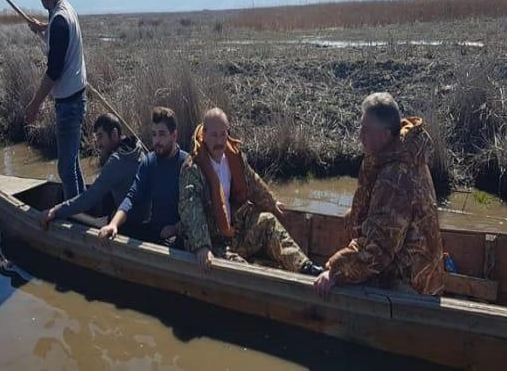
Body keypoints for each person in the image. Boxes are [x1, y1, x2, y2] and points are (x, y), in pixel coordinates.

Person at [314, 92, 444, 298]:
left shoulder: (395, 177)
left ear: (385, 135)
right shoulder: (395, 154)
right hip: (408, 269)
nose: (360, 136)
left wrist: (336, 271)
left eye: (366, 131)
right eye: (360, 128)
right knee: (350, 217)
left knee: (344, 295)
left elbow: (379, 248)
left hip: (410, 284)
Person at [179, 107, 323, 275]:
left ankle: (304, 267)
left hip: (236, 231)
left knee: (268, 221)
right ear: (204, 134)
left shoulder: (234, 157)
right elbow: (191, 208)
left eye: (223, 134)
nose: (219, 141)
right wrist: (201, 246)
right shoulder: (192, 169)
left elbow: (252, 180)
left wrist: (271, 201)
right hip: (213, 240)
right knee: (240, 269)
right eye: (214, 135)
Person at [25, 0, 88, 200]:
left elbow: (53, 72)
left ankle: (75, 218)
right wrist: (42, 28)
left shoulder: (60, 19)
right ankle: (82, 206)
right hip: (75, 97)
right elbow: (57, 29)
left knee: (65, 168)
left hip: (70, 103)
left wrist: (34, 104)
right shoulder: (62, 11)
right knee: (72, 163)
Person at [39, 113, 149, 228]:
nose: (98, 143)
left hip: (128, 224)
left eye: (101, 136)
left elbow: (88, 199)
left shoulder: (117, 161)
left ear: (114, 134)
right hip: (142, 217)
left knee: (71, 216)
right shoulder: (138, 148)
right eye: (96, 137)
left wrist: (55, 211)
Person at [98, 107, 188, 244]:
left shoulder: (186, 164)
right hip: (155, 230)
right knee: (118, 230)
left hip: (178, 235)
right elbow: (132, 196)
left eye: (162, 134)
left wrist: (175, 228)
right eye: (154, 134)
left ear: (174, 136)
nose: (157, 140)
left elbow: (199, 209)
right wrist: (114, 224)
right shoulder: (149, 161)